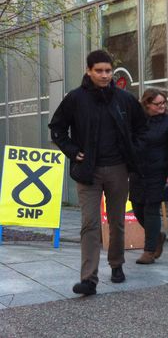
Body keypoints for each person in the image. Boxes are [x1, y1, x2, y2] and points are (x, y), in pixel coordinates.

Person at [49, 50, 147, 296]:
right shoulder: (75, 98)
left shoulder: (124, 99)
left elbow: (143, 128)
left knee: (116, 222)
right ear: (88, 71)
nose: (104, 75)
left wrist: (132, 151)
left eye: (108, 71)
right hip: (88, 171)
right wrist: (72, 151)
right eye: (99, 71)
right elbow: (57, 128)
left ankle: (116, 265)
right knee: (89, 224)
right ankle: (89, 279)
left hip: (117, 169)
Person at [129, 88, 168, 265]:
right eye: (157, 104)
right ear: (147, 104)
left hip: (159, 173)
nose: (162, 106)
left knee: (151, 210)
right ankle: (157, 236)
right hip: (138, 172)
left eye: (164, 103)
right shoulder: (138, 121)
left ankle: (149, 251)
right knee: (137, 208)